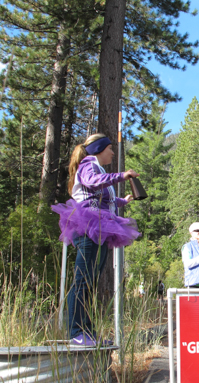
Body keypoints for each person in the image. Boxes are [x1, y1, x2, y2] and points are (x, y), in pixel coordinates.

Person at [51, 133, 141, 346]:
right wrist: (122, 175)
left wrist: (123, 201)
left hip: (99, 228)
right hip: (89, 226)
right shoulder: (89, 165)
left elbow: (101, 198)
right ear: (99, 149)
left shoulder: (97, 168)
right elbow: (92, 183)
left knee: (90, 282)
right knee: (83, 280)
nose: (113, 152)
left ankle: (87, 333)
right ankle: (76, 332)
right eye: (110, 148)